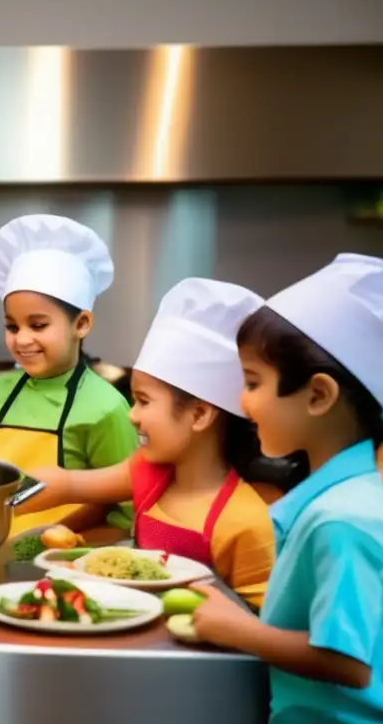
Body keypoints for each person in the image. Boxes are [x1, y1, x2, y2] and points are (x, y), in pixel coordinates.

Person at [190, 254, 383, 722]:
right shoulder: (343, 497)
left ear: (318, 395)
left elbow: (348, 664)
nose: (242, 400)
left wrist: (238, 629)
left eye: (253, 382)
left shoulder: (342, 520)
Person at [20, 278, 291, 609]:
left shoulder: (246, 522)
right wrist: (2, 498)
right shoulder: (149, 472)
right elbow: (67, 483)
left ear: (200, 414)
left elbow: (263, 621)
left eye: (144, 402)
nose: (132, 416)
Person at [0, 214, 137, 540]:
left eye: (38, 325)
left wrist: (39, 548)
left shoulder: (106, 408)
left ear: (82, 324)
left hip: (59, 565)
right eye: (12, 326)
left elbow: (123, 515)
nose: (22, 339)